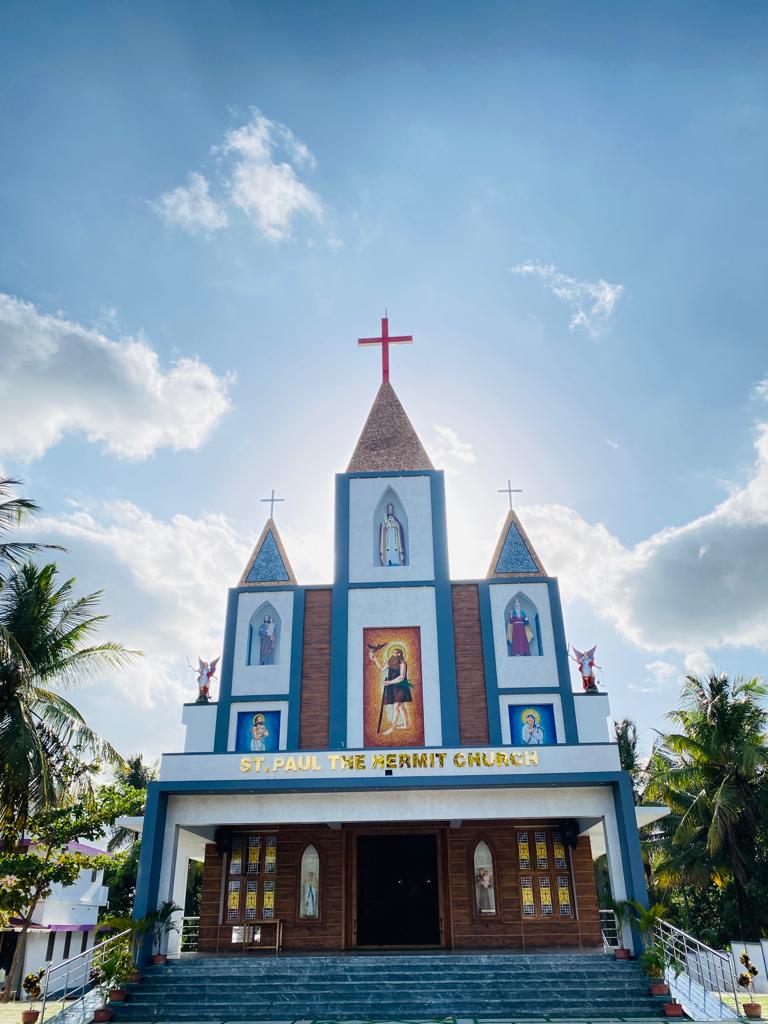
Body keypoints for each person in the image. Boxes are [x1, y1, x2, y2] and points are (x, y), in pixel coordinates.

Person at [369, 646, 414, 735]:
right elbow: (381, 669)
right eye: (392, 653)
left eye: (395, 653)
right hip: (393, 687)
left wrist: (389, 682)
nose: (393, 654)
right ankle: (407, 725)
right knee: (401, 706)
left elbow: (401, 677)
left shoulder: (402, 663)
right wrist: (375, 659)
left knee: (397, 706)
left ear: (399, 654)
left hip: (401, 686)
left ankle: (393, 727)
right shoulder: (391, 662)